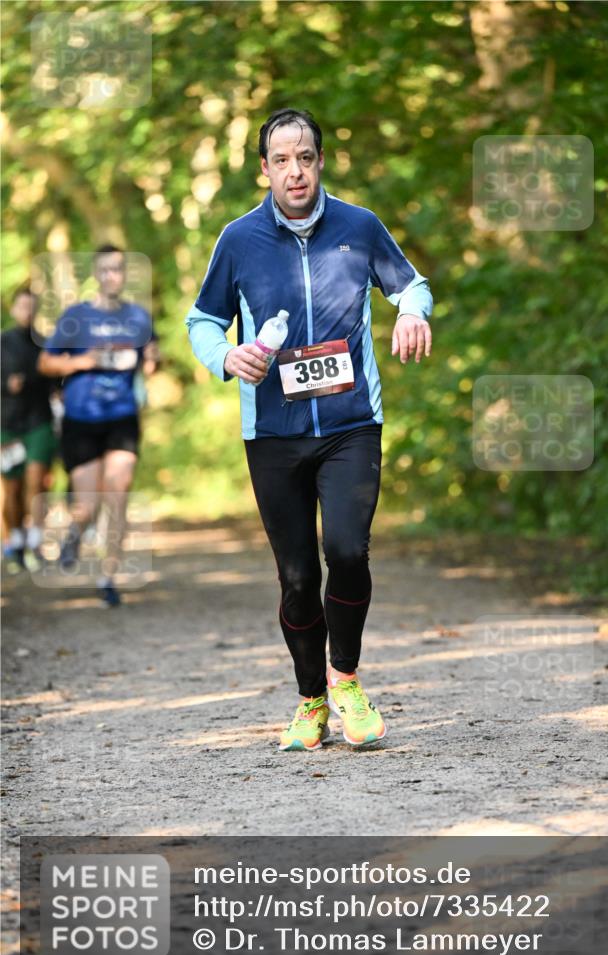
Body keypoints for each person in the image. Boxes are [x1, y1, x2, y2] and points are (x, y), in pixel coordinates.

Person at [186, 108, 432, 750]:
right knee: (296, 576)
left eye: (305, 158)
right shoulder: (238, 240)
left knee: (347, 551)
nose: (294, 171)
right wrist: (225, 357)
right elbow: (202, 321)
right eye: (281, 160)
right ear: (264, 170)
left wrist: (412, 312)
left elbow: (411, 286)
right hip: (273, 433)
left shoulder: (359, 226)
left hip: (351, 425)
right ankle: (310, 700)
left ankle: (344, 679)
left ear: (320, 162)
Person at [38, 245, 158, 607]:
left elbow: (149, 360)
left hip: (121, 417)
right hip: (81, 420)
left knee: (118, 494)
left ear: (124, 274)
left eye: (117, 269)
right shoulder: (76, 317)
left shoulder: (138, 317)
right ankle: (76, 531)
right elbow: (45, 363)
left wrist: (152, 361)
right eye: (105, 269)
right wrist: (82, 362)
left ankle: (108, 577)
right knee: (88, 505)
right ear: (96, 274)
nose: (112, 275)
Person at [1, 287, 58, 573]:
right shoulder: (2, 343)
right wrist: (6, 385)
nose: (27, 312)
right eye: (23, 306)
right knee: (12, 489)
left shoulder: (45, 344)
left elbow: (57, 381)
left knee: (37, 482)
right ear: (14, 309)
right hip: (8, 426)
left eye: (32, 306)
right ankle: (16, 541)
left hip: (39, 422)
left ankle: (35, 540)